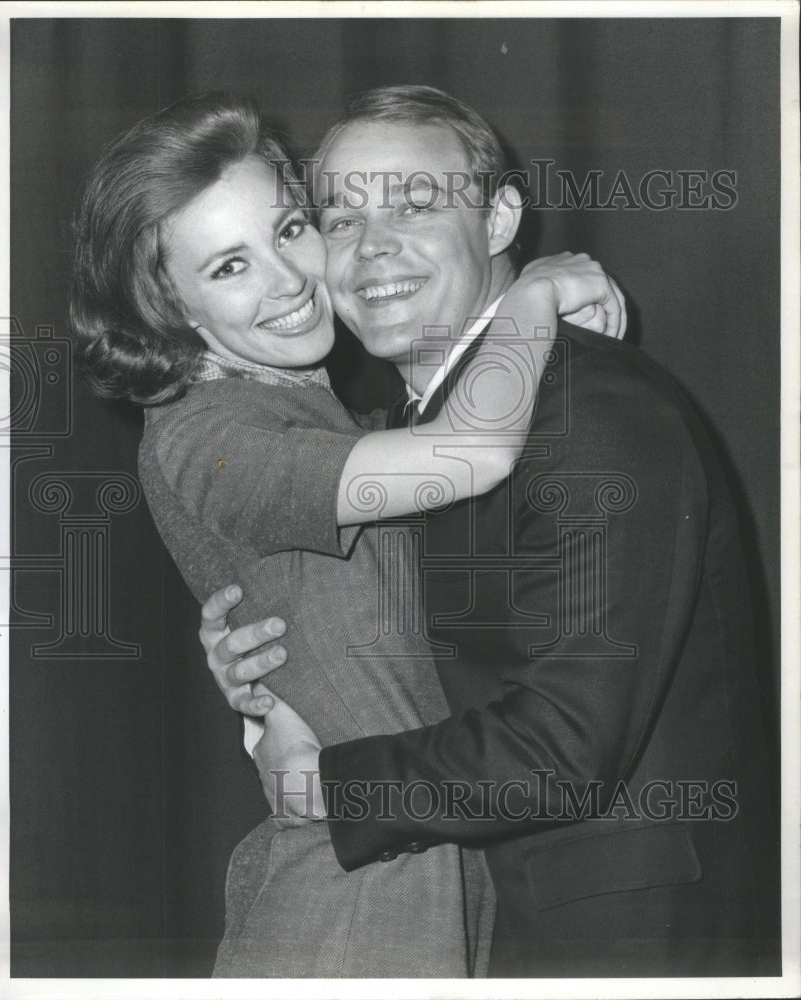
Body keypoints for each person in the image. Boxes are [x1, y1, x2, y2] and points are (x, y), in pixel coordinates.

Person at [202, 85, 780, 977]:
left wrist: (323, 784)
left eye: (417, 205)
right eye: (342, 220)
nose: (374, 247)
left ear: (502, 215)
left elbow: (564, 745)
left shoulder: (591, 414)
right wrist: (265, 662)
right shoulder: (425, 430)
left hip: (624, 945)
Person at [69, 91, 624, 978]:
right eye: (228, 268)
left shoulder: (317, 412)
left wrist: (258, 700)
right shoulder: (210, 434)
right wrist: (537, 291)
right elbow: (471, 452)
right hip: (346, 913)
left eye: (290, 231)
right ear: (165, 307)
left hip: (422, 887)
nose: (288, 281)